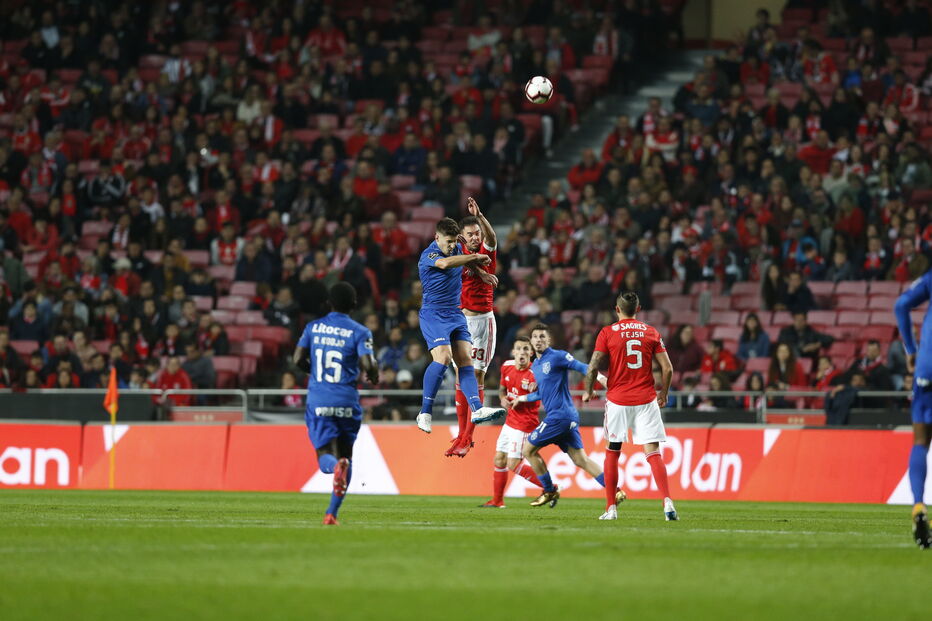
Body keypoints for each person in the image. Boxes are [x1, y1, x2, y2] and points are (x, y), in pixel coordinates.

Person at [507, 324, 625, 511]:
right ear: (531, 341)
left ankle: (549, 490)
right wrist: (522, 398)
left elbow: (582, 366)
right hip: (567, 418)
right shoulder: (536, 365)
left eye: (542, 337)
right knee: (581, 460)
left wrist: (601, 379)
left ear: (549, 340)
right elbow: (543, 394)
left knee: (528, 450)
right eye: (535, 337)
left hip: (559, 416)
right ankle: (616, 491)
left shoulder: (558, 356)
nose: (538, 340)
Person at [583, 291, 678, 522]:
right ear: (638, 309)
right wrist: (663, 394)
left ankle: (611, 508)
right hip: (646, 400)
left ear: (617, 310)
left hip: (618, 400)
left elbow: (594, 364)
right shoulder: (651, 332)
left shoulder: (607, 332)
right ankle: (667, 503)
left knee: (612, 452)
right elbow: (668, 369)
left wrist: (588, 390)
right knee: (653, 453)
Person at [291, 282, 379, 526]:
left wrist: (316, 372)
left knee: (326, 457)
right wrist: (374, 374)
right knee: (346, 457)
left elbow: (297, 358)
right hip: (348, 402)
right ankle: (331, 513)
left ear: (329, 303)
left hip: (320, 400)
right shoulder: (360, 331)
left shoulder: (313, 327)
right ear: (353, 304)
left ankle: (334, 466)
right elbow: (368, 365)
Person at [414, 217, 505, 434]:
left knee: (466, 361)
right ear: (437, 238)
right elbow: (446, 264)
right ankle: (425, 411)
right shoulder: (430, 255)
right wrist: (473, 256)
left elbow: (461, 257)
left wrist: (480, 271)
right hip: (433, 314)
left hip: (455, 313)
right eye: (448, 241)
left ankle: (477, 408)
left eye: (455, 241)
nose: (452, 246)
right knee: (444, 358)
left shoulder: (455, 249)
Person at [449, 197, 499, 457]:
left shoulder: (487, 249)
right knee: (461, 376)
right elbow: (464, 260)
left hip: (482, 323)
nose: (475, 237)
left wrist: (480, 216)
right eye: (470, 234)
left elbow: (492, 237)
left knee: (477, 375)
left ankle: (468, 437)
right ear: (461, 236)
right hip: (461, 321)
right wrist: (481, 273)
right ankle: (460, 434)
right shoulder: (457, 252)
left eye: (477, 233)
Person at [479, 337, 544, 508]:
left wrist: (534, 389)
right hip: (510, 422)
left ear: (531, 353)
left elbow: (543, 392)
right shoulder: (507, 366)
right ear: (513, 352)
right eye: (518, 349)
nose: (522, 352)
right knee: (499, 459)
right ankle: (497, 500)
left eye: (525, 349)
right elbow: (502, 389)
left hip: (524, 424)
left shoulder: (536, 373)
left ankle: (550, 487)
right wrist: (502, 399)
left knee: (513, 464)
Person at [895, 273, 932, 548]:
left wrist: (911, 349)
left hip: (926, 371)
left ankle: (919, 506)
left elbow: (901, 305)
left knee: (920, 441)